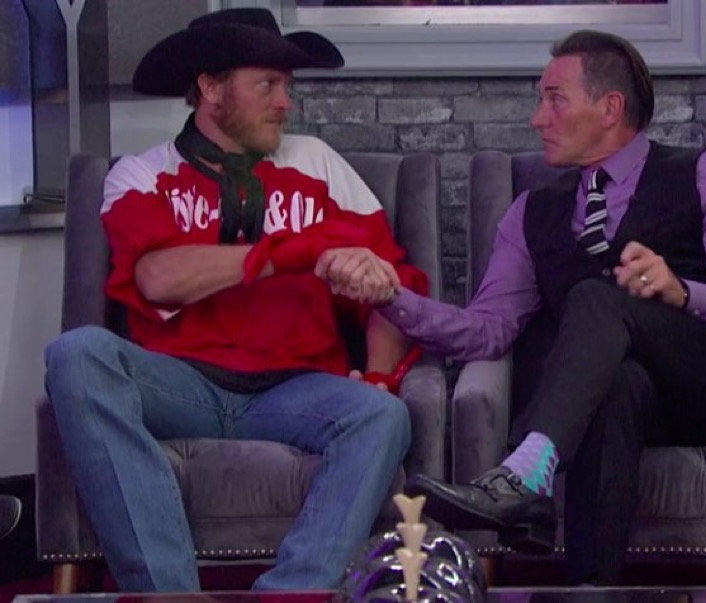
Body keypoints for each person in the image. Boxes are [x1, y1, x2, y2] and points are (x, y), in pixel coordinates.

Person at [331, 29, 706, 584]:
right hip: (636, 403)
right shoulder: (532, 213)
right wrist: (391, 299)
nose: (537, 119)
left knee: (597, 295)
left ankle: (527, 475)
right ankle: (589, 589)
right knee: (612, 384)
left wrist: (685, 292)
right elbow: (487, 330)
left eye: (555, 100)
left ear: (610, 108)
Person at [43, 8, 429, 592]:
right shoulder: (141, 174)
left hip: (294, 390)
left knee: (384, 416)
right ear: (210, 87)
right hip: (182, 386)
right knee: (75, 355)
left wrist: (377, 375)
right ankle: (170, 594)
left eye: (287, 86)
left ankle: (291, 594)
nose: (285, 103)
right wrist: (291, 251)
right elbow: (158, 278)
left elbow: (390, 289)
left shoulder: (319, 163)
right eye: (267, 85)